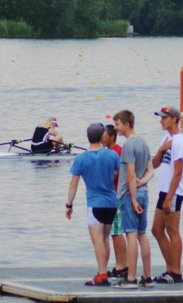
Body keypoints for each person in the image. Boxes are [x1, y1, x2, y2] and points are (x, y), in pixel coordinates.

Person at [66, 123, 122, 286]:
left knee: (97, 240)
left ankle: (102, 275)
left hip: (94, 204)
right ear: (102, 136)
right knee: (105, 239)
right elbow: (120, 174)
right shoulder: (112, 155)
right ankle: (102, 272)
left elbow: (73, 184)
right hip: (111, 203)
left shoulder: (81, 158)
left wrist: (69, 205)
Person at [114, 110, 155, 288]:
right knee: (142, 234)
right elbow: (151, 171)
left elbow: (130, 174)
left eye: (117, 124)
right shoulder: (143, 142)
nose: (115, 128)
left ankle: (131, 278)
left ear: (127, 124)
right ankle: (147, 276)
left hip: (129, 194)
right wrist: (142, 182)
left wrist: (132, 198)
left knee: (131, 234)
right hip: (144, 192)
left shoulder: (129, 145)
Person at [151, 106, 183, 284]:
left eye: (164, 118)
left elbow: (178, 173)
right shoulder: (166, 138)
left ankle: (176, 272)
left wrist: (169, 198)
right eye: (161, 118)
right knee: (156, 230)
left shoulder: (180, 142)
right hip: (164, 190)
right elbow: (154, 164)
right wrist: (161, 150)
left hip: (173, 192)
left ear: (174, 119)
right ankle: (170, 269)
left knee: (172, 230)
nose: (161, 121)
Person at [100, 125, 128, 283]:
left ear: (111, 137)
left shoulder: (118, 151)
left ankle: (122, 265)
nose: (102, 139)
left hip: (117, 194)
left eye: (104, 136)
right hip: (109, 196)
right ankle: (120, 264)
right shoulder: (107, 152)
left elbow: (122, 173)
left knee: (117, 231)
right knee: (113, 232)